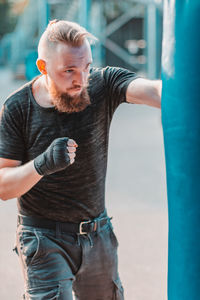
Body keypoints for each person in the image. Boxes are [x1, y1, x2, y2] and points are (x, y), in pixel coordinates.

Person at [0, 20, 161, 300]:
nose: (81, 79)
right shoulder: (17, 108)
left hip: (97, 233)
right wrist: (41, 164)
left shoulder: (102, 83)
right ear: (43, 67)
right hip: (42, 237)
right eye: (69, 71)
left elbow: (155, 92)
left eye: (86, 66)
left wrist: (186, 91)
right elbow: (3, 185)